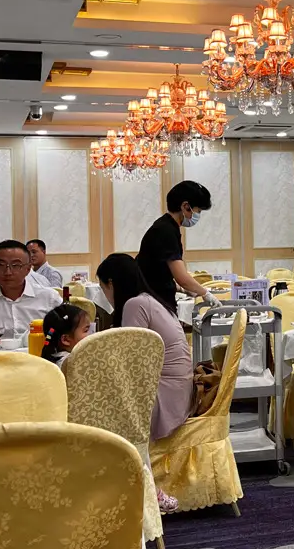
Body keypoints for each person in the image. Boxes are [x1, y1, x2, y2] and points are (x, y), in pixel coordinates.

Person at [97, 253, 193, 442]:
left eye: (103, 289)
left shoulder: (135, 305)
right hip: (180, 390)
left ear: (111, 283)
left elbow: (129, 363)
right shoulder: (150, 300)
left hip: (166, 396)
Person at [136, 182, 214, 315]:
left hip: (153, 298)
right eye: (198, 211)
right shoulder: (166, 231)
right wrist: (206, 294)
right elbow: (181, 277)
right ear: (186, 206)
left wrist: (183, 289)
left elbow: (160, 270)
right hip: (155, 302)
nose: (198, 215)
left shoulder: (166, 226)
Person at [0, 239, 62, 340]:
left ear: (28, 269)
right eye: (1, 265)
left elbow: (65, 332)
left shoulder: (49, 298)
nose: (8, 272)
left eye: (16, 266)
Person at [40, 302, 90, 367]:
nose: (90, 335)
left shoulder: (53, 358)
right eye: (86, 331)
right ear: (66, 339)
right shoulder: (74, 363)